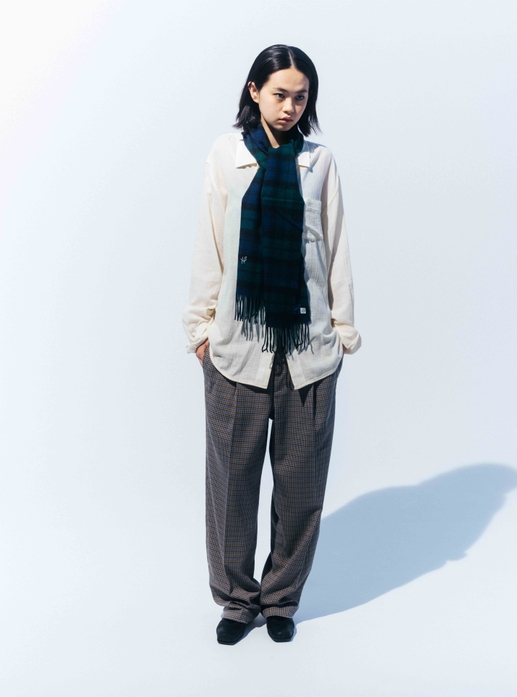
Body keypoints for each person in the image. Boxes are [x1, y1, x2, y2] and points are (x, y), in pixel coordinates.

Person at [182, 44, 361, 645]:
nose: (290, 107)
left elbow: (334, 247)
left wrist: (341, 332)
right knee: (232, 487)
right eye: (279, 94)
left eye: (300, 97)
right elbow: (210, 243)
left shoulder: (320, 161)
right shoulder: (227, 155)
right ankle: (237, 601)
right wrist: (201, 331)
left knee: (301, 487)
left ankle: (281, 598)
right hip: (238, 349)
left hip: (308, 351)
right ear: (254, 91)